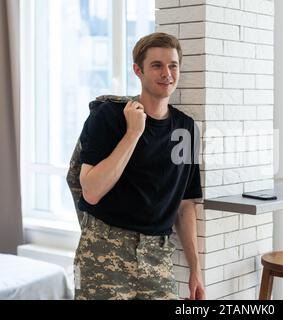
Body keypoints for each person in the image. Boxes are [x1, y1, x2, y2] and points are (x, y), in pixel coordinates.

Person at [73, 32, 205, 300]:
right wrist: (133, 133)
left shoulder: (186, 129)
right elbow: (91, 191)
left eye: (173, 65)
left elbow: (185, 204)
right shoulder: (109, 116)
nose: (167, 73)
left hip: (157, 257)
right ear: (138, 70)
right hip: (103, 251)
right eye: (156, 65)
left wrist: (195, 269)